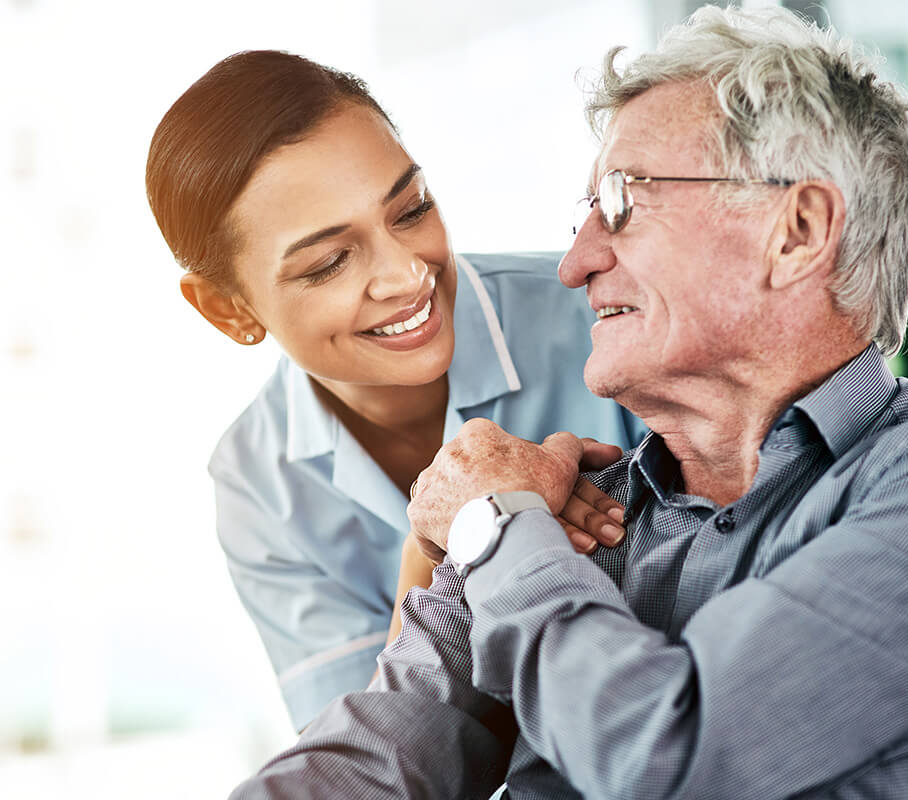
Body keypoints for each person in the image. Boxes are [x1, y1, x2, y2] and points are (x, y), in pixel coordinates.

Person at [230, 6, 908, 799]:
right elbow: (372, 765)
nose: (575, 263)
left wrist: (490, 526)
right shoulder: (568, 511)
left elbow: (673, 757)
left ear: (797, 230)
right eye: (583, 214)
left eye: (621, 202)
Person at [145, 50, 646, 732]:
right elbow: (366, 758)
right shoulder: (256, 483)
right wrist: (439, 539)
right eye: (329, 262)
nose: (407, 274)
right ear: (228, 309)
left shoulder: (595, 315)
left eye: (410, 210)